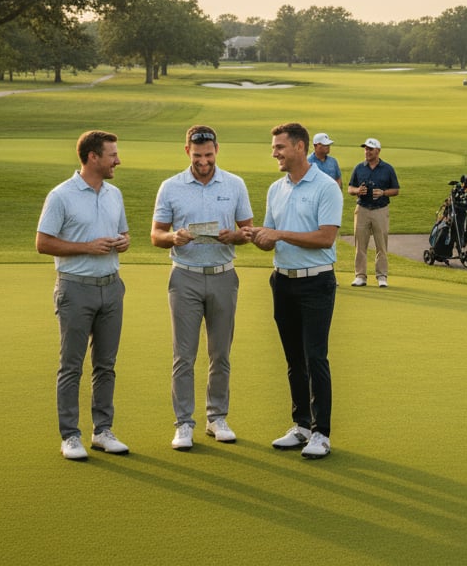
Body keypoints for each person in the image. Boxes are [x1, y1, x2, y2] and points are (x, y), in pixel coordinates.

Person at [151, 125, 254, 451]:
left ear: (217, 150)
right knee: (184, 355)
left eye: (208, 155)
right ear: (187, 152)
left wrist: (234, 236)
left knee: (220, 354)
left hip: (224, 276)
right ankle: (184, 424)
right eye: (197, 156)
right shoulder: (170, 187)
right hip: (185, 277)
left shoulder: (235, 185)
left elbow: (248, 231)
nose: (204, 161)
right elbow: (156, 235)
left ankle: (216, 418)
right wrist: (173, 237)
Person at [36, 130, 131, 461]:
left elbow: (124, 232)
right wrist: (87, 247)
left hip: (111, 287)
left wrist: (123, 241)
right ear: (93, 157)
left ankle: (102, 431)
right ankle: (70, 436)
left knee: (106, 365)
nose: (118, 160)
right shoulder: (61, 195)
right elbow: (43, 242)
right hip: (75, 288)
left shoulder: (114, 194)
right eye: (112, 155)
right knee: (71, 366)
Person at [252, 122, 344, 459]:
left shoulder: (325, 187)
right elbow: (270, 237)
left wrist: (279, 235)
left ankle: (321, 433)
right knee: (294, 359)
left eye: (280, 147)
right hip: (282, 281)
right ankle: (302, 425)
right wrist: (258, 236)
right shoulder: (276, 188)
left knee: (315, 357)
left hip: (316, 282)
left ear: (300, 147)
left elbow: (325, 238)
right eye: (274, 148)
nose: (274, 153)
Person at [346, 137, 400, 287]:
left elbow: (396, 190)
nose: (367, 151)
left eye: (370, 149)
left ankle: (382, 276)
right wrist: (358, 190)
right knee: (360, 245)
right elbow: (350, 188)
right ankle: (360, 276)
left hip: (380, 210)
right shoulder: (359, 168)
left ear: (378, 151)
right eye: (366, 149)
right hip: (362, 209)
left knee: (381, 245)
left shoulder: (387, 169)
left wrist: (383, 193)